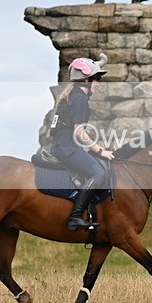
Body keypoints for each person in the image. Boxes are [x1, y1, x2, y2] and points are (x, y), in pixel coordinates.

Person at [50, 54, 116, 231]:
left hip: (65, 146)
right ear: (86, 80)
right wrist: (100, 151)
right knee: (98, 173)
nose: (98, 83)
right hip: (66, 148)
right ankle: (75, 217)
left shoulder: (74, 94)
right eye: (96, 79)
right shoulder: (79, 98)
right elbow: (80, 133)